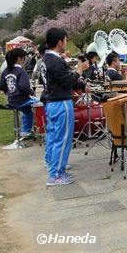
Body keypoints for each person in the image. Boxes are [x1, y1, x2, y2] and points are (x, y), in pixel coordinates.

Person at [40, 28, 88, 186]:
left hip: (51, 102)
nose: (66, 43)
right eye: (65, 40)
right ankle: (56, 175)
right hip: (61, 103)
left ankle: (53, 167)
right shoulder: (55, 61)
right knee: (63, 139)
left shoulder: (46, 59)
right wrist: (79, 70)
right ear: (60, 42)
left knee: (53, 138)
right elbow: (67, 81)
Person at [0, 48, 38, 139]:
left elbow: (1, 86)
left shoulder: (5, 71)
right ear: (19, 59)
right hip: (22, 100)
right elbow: (24, 87)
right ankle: (28, 131)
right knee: (41, 102)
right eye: (24, 57)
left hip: (11, 100)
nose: (24, 59)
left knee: (27, 110)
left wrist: (9, 92)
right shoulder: (21, 71)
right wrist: (32, 92)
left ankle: (25, 130)